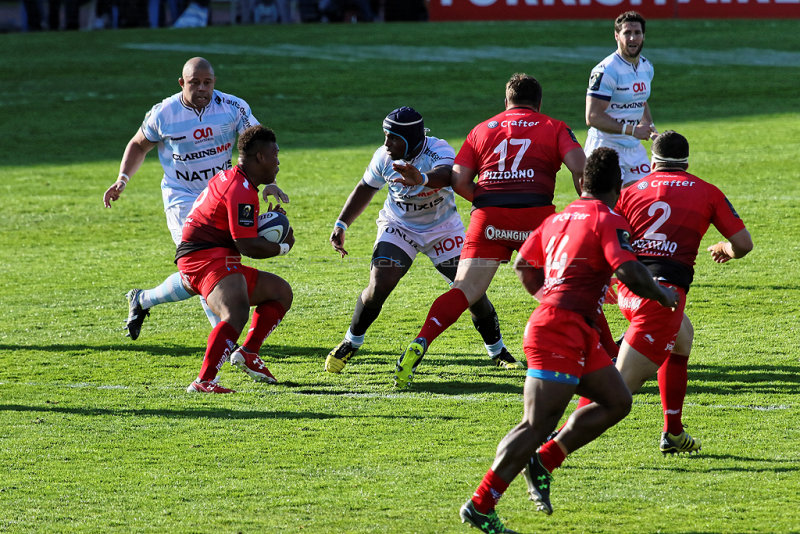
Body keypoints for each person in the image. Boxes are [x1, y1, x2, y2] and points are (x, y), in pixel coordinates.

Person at [458, 147, 679, 533]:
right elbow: (627, 269)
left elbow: (524, 265)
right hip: (559, 329)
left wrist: (549, 297)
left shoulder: (559, 217)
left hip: (574, 327)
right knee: (536, 424)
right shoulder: (609, 218)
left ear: (584, 182)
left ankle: (544, 461)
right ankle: (481, 503)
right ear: (619, 185)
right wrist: (662, 295)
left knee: (616, 400)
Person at [555, 131, 753, 459]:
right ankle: (549, 445)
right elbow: (743, 244)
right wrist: (726, 250)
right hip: (661, 298)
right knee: (615, 391)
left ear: (652, 161)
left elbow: (602, 234)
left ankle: (673, 432)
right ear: (687, 161)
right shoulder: (707, 192)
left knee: (682, 337)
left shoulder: (630, 192)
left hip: (630, 289)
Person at [391, 73, 585, 389]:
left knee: (465, 289)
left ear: (506, 102)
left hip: (489, 216)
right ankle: (594, 354)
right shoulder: (554, 126)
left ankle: (421, 341)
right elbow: (581, 167)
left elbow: (459, 180)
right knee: (569, 284)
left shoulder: (482, 129)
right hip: (536, 218)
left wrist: (488, 200)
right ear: (538, 103)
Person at [325, 107, 523, 376]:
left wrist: (422, 179)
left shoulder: (438, 149)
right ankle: (351, 341)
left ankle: (498, 351)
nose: (386, 144)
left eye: (392, 138)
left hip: (443, 229)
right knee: (380, 283)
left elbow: (449, 174)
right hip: (400, 226)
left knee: (471, 292)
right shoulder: (384, 157)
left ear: (411, 139)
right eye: (385, 136)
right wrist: (341, 223)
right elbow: (366, 187)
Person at [103, 57, 286, 340]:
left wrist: (270, 182)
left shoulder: (233, 107)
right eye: (194, 83)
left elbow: (258, 144)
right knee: (207, 265)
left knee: (209, 269)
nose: (202, 88)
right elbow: (138, 145)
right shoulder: (164, 113)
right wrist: (122, 179)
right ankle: (225, 338)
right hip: (183, 199)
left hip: (223, 196)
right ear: (181, 83)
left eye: (207, 83)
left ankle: (143, 300)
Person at [176, 125, 294, 393]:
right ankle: (204, 381)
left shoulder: (237, 180)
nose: (278, 161)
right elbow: (247, 244)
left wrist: (264, 224)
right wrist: (283, 246)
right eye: (275, 154)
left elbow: (237, 233)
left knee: (280, 292)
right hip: (204, 258)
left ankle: (248, 353)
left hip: (211, 253)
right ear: (260, 157)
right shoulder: (240, 189)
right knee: (236, 312)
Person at [585, 11, 658, 187]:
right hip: (605, 147)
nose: (633, 38)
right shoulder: (606, 70)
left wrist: (652, 130)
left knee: (641, 202)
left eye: (637, 33)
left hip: (633, 149)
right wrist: (633, 130)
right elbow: (592, 116)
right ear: (617, 35)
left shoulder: (646, 67)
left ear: (643, 36)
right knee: (609, 205)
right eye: (627, 33)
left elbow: (641, 100)